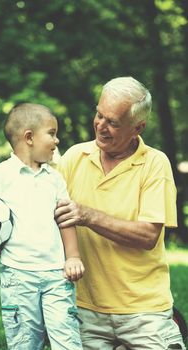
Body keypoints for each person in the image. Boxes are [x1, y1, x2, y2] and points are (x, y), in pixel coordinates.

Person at [55, 77, 186, 350]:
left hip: (143, 310)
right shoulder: (74, 157)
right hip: (84, 308)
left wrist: (87, 215)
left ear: (138, 127)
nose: (100, 126)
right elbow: (44, 213)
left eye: (112, 122)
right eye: (99, 115)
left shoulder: (154, 164)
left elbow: (149, 235)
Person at [0, 103, 85, 350]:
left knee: (68, 341)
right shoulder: (0, 175)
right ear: (29, 137)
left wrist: (73, 256)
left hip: (57, 276)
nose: (57, 141)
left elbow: (65, 218)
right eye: (52, 133)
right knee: (24, 342)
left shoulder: (54, 179)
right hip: (18, 277)